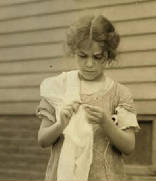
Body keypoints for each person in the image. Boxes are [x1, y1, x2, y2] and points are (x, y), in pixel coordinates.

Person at [36, 15, 140, 181]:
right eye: (83, 56)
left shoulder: (120, 93)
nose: (89, 64)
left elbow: (129, 146)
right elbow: (42, 140)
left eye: (97, 57)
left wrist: (106, 122)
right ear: (74, 53)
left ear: (109, 55)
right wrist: (60, 124)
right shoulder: (59, 87)